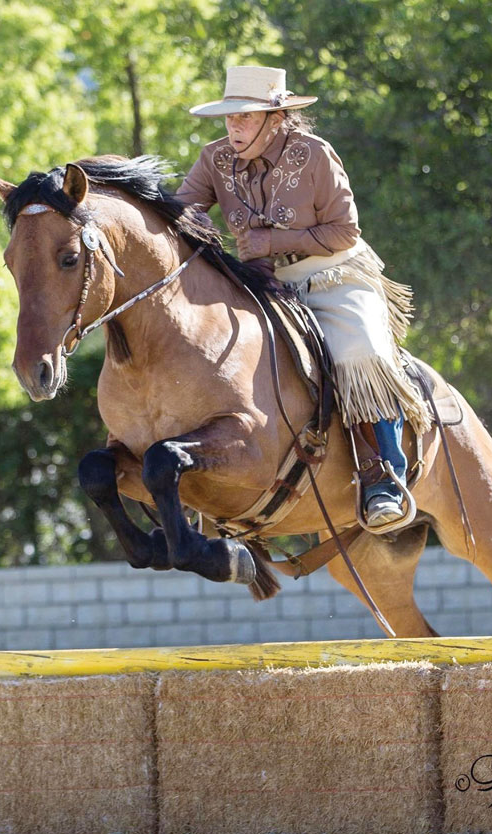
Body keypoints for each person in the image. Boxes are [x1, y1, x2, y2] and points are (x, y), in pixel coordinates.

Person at [175, 65, 432, 527]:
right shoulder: (213, 159)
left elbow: (345, 231)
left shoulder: (315, 154)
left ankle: (384, 477)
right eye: (229, 118)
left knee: (359, 351)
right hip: (261, 284)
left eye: (245, 118)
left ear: (276, 118)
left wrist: (271, 243)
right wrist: (195, 227)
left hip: (334, 273)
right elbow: (181, 212)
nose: (233, 127)